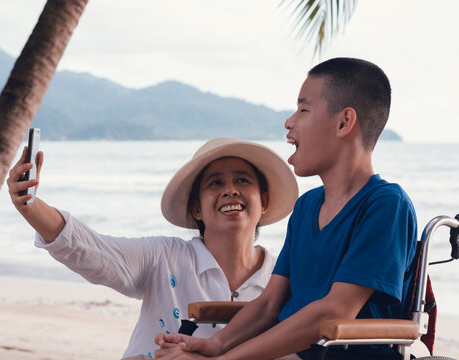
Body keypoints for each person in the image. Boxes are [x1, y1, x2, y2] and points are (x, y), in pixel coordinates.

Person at [154, 58, 418, 360]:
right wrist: (215, 345)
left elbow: (334, 312)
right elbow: (269, 305)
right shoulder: (307, 206)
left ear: (344, 122)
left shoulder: (385, 206)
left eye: (303, 110)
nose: (289, 122)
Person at [7, 137, 298, 358]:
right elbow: (90, 250)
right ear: (196, 208)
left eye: (242, 180)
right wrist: (30, 206)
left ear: (264, 201)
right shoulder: (164, 257)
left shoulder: (284, 279)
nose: (230, 190)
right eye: (215, 183)